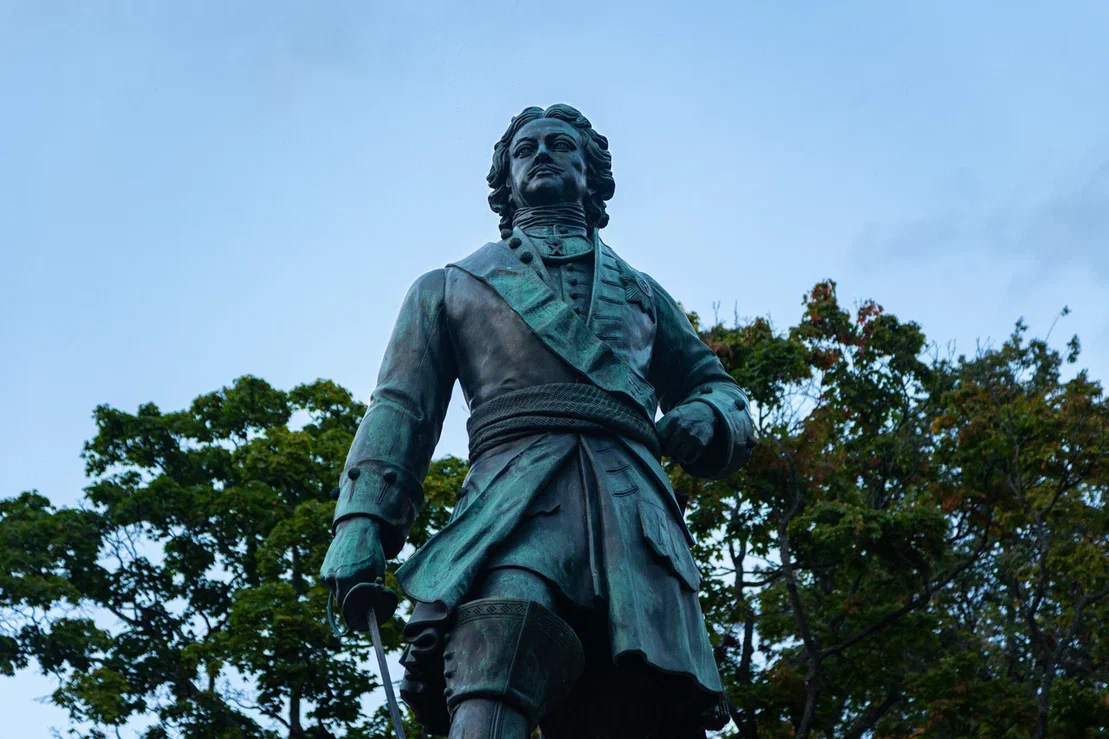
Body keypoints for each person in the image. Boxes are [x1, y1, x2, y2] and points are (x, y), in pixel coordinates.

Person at [320, 104, 756, 739]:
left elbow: (717, 387)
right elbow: (400, 408)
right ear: (506, 180)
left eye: (561, 145)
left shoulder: (643, 294)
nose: (543, 154)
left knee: (644, 707)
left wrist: (708, 414)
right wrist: (361, 522)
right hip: (513, 503)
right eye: (526, 149)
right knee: (499, 646)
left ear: (591, 173)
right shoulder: (450, 287)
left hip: (635, 520)